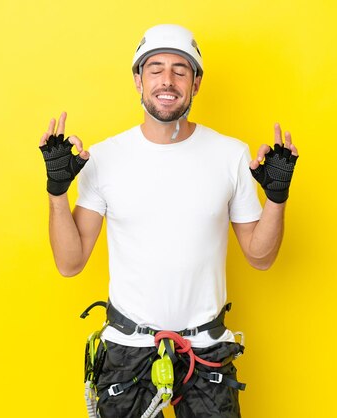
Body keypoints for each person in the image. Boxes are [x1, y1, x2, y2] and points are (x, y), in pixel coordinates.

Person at [39, 24, 298, 418]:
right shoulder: (105, 158)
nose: (167, 80)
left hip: (207, 352)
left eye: (180, 70)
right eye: (155, 68)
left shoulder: (230, 155)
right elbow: (69, 263)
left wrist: (276, 198)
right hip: (129, 353)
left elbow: (260, 257)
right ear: (137, 80)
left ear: (196, 83)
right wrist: (58, 192)